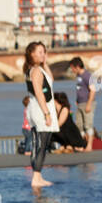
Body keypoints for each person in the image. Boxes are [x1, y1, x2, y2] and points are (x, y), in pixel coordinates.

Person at [23, 41, 59, 188]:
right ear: (31, 54)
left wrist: (45, 62)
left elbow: (51, 80)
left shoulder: (37, 69)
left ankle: (37, 176)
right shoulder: (36, 71)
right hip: (40, 108)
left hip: (37, 107)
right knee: (41, 145)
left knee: (39, 144)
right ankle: (36, 178)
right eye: (39, 52)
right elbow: (39, 93)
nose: (42, 55)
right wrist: (47, 114)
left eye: (44, 52)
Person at [70, 56, 97, 138]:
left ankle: (89, 145)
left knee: (88, 125)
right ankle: (83, 144)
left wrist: (89, 104)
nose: (72, 70)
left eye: (72, 68)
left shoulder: (87, 75)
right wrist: (77, 100)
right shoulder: (78, 76)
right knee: (79, 125)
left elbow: (93, 90)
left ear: (77, 67)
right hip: (80, 103)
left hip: (87, 103)